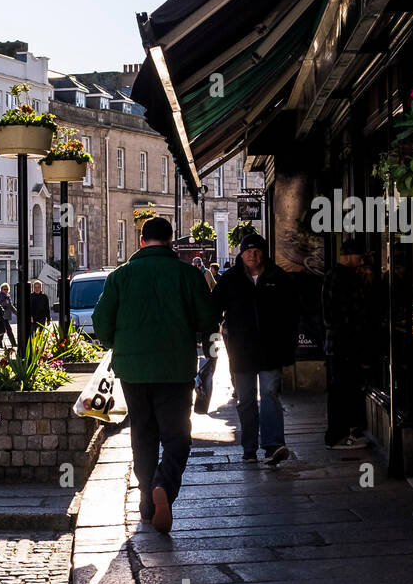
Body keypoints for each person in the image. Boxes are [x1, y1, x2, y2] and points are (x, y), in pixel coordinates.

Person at [92, 217, 217, 534]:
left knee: (143, 435)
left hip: (133, 370)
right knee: (177, 437)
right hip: (176, 369)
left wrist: (115, 343)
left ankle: (147, 501)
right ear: (171, 241)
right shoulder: (187, 274)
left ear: (142, 240)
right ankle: (164, 484)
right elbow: (208, 318)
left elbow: (101, 321)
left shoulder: (120, 276)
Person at [212, 232, 300, 465]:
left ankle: (273, 445)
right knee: (246, 399)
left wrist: (288, 346)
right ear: (241, 254)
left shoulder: (277, 277)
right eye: (248, 251)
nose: (252, 254)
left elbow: (291, 313)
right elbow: (214, 310)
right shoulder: (230, 279)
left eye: (257, 250)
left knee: (270, 394)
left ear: (263, 253)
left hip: (271, 350)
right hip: (241, 351)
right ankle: (249, 448)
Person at [323, 237, 376, 449]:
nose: (362, 260)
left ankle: (347, 432)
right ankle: (338, 436)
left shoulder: (336, 275)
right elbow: (345, 315)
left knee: (344, 389)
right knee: (342, 391)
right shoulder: (343, 277)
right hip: (344, 344)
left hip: (340, 343)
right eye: (360, 256)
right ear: (349, 256)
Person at [0, 282, 17, 350]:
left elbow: (11, 306)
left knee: (3, 330)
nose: (5, 290)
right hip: (3, 316)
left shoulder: (7, 297)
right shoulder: (1, 296)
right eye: (4, 289)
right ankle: (13, 343)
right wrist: (6, 303)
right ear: (1, 289)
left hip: (5, 317)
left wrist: (17, 313)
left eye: (6, 289)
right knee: (8, 330)